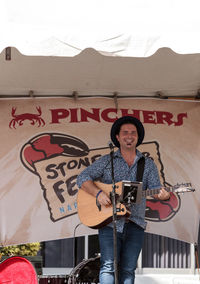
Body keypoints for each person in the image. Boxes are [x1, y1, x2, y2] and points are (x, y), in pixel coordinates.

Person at [76, 116, 170, 284]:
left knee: (128, 269)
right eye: (125, 132)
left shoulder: (147, 164)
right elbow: (82, 178)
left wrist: (164, 195)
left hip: (136, 222)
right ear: (118, 137)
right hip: (109, 222)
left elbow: (156, 188)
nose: (129, 135)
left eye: (133, 133)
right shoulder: (107, 161)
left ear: (138, 138)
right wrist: (99, 194)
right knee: (108, 266)